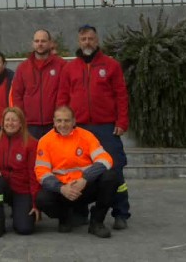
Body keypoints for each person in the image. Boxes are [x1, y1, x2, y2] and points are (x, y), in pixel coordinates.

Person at [57, 24, 131, 230]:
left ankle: (121, 213)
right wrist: (62, 123)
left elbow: (121, 96)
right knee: (79, 171)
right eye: (83, 39)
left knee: (114, 170)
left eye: (90, 38)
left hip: (106, 128)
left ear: (97, 40)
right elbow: (63, 98)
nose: (87, 42)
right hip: (78, 129)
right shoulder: (69, 68)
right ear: (78, 42)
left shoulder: (111, 65)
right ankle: (80, 213)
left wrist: (122, 122)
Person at [34, 105, 118, 238]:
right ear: (54, 122)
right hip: (62, 191)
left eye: (67, 120)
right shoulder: (45, 141)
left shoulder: (86, 136)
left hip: (84, 186)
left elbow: (105, 160)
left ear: (74, 121)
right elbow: (41, 172)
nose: (63, 124)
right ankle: (64, 217)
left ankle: (97, 222)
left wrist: (85, 178)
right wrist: (61, 188)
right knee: (41, 199)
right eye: (59, 121)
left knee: (111, 177)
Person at [0, 107, 40, 237]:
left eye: (14, 120)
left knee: (24, 228)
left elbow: (33, 174)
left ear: (21, 123)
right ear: (2, 122)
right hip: (1, 186)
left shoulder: (31, 143)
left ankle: (20, 210)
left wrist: (35, 203)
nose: (10, 123)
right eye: (7, 120)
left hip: (21, 189)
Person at [10, 29, 67, 138]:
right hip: (30, 126)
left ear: (50, 43)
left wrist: (60, 118)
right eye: (37, 41)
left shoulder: (61, 65)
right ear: (33, 44)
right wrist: (21, 119)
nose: (40, 44)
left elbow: (64, 94)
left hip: (55, 124)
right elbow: (17, 95)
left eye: (43, 41)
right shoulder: (23, 68)